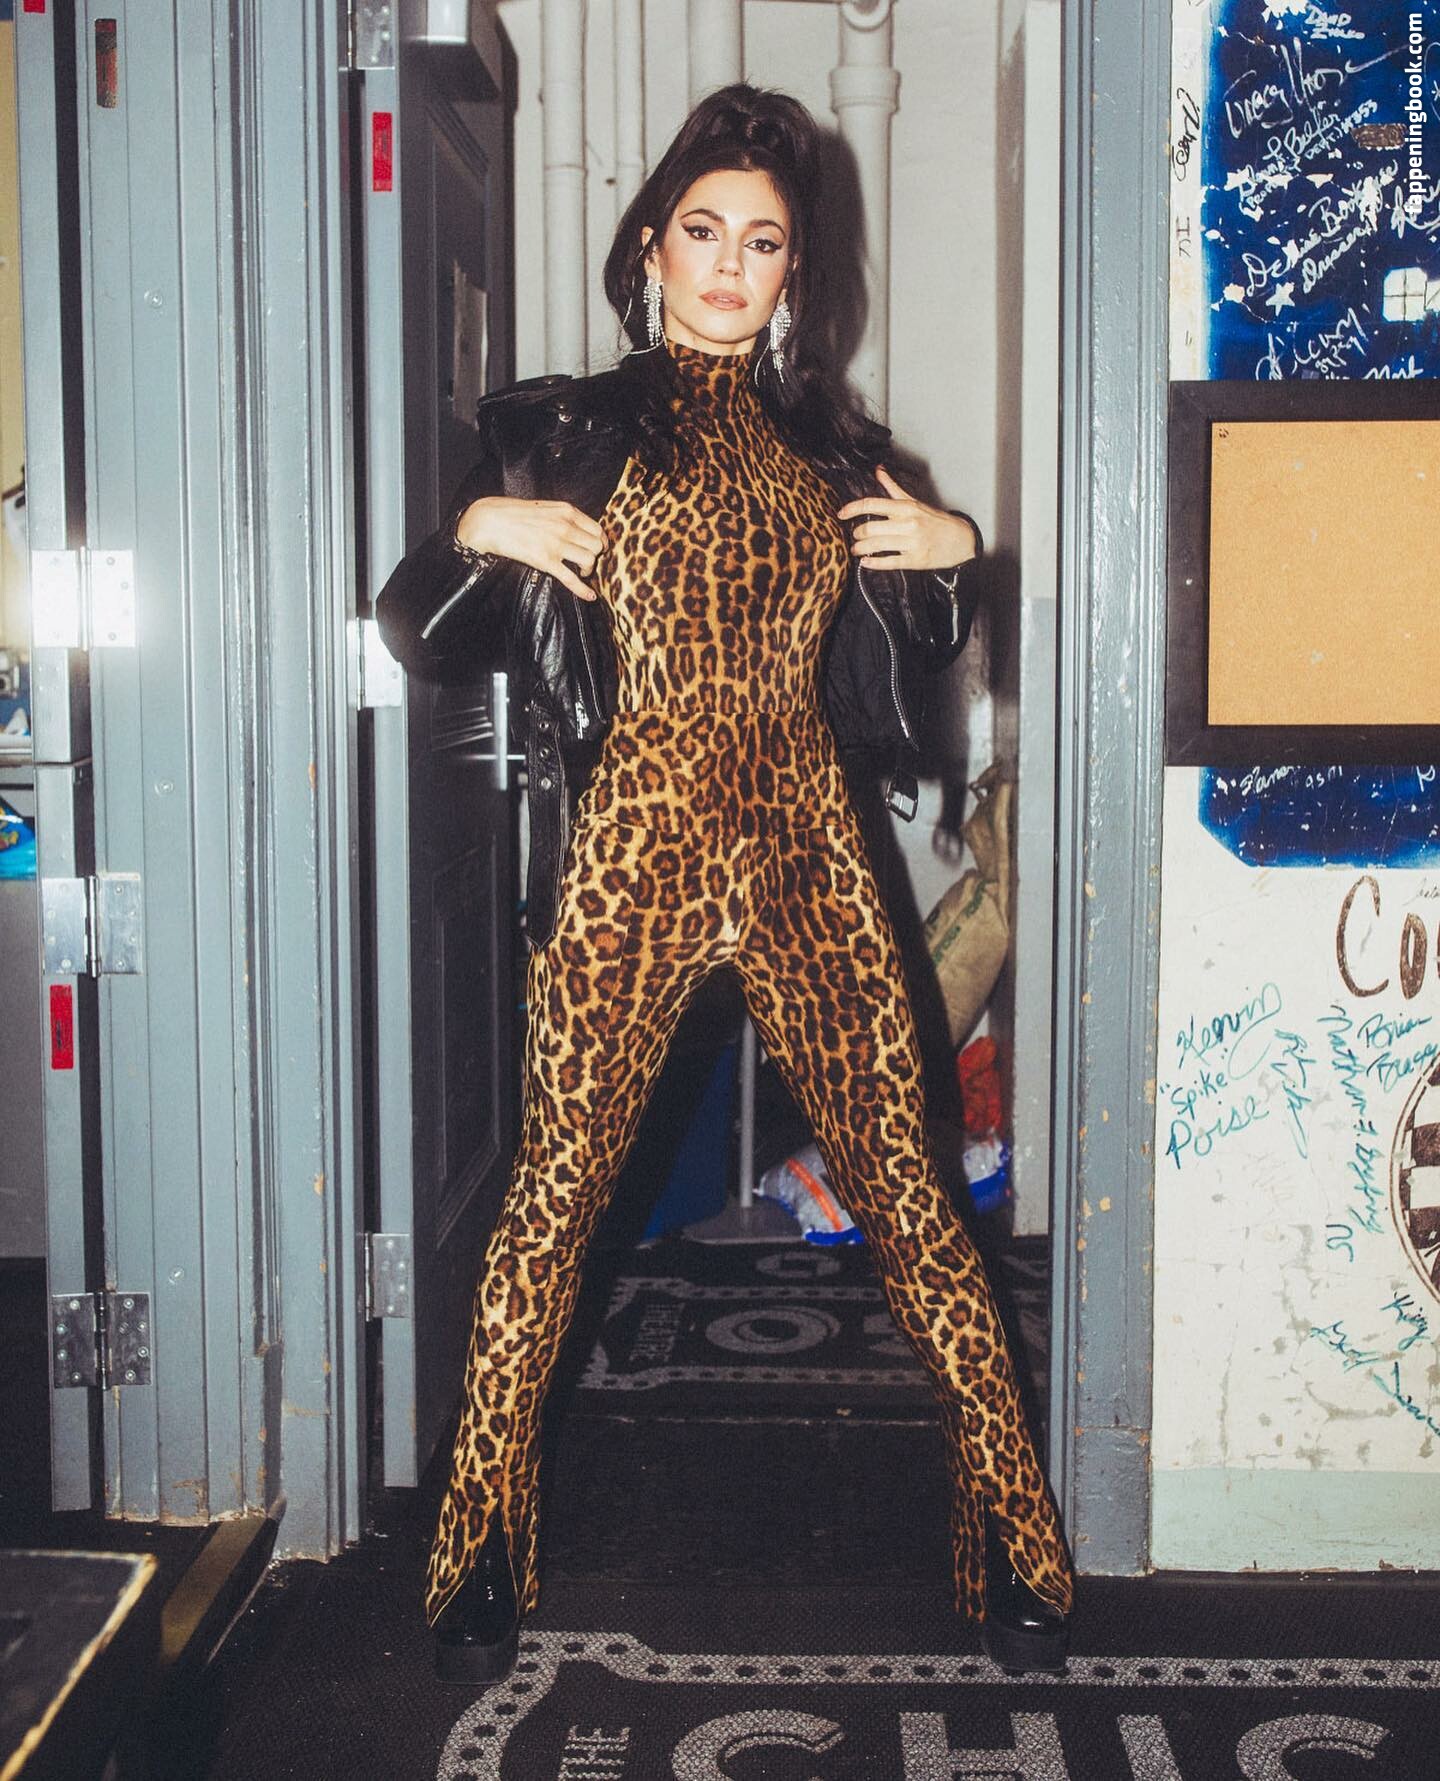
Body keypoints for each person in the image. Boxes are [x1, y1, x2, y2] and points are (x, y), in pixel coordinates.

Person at [374, 82, 1075, 1685]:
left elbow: (921, 643)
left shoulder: (840, 453)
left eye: (763, 243)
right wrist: (476, 523)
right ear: (650, 245)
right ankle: (476, 1540)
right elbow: (423, 627)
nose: (730, 264)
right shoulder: (568, 427)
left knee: (910, 1188)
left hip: (810, 845)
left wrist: (958, 546)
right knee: (556, 1192)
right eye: (703, 231)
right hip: (641, 841)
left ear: (792, 273)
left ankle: (1017, 1536)